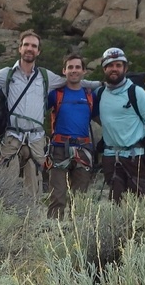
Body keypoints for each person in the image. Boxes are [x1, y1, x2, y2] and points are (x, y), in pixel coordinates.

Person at [0, 30, 101, 199]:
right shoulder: (5, 75)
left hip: (36, 139)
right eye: (26, 45)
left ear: (38, 51)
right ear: (20, 48)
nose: (30, 48)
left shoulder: (45, 76)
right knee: (6, 186)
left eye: (34, 46)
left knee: (33, 190)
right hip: (12, 136)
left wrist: (101, 84)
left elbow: (72, 81)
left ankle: (31, 221)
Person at [97, 47, 145, 203]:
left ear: (125, 68)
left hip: (138, 158)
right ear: (104, 68)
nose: (114, 68)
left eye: (118, 65)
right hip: (111, 159)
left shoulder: (136, 92)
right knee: (116, 207)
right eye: (110, 65)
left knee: (140, 208)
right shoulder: (100, 93)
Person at [45, 54, 95, 219]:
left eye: (77, 67)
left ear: (84, 71)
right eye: (70, 67)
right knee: (57, 195)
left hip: (83, 149)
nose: (74, 71)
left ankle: (78, 234)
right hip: (59, 149)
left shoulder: (90, 96)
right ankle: (53, 233)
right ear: (64, 71)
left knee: (79, 198)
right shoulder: (55, 94)